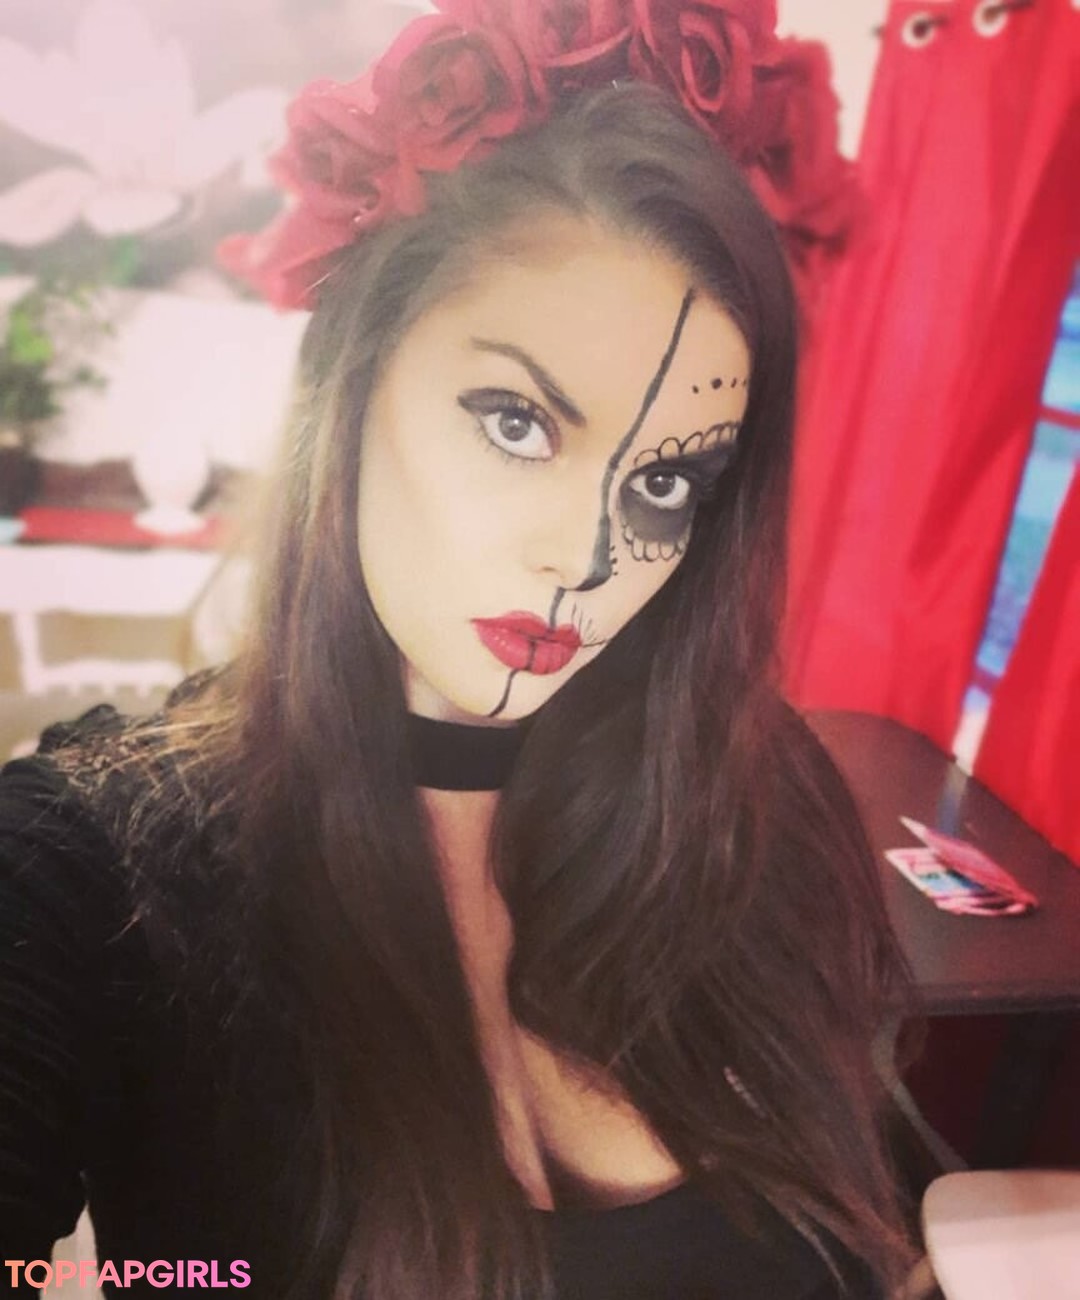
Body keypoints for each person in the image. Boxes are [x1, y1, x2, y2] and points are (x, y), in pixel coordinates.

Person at [1, 3, 916, 1296]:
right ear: (348, 387)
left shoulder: (763, 811)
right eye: (518, 423)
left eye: (665, 485)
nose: (588, 559)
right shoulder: (87, 874)